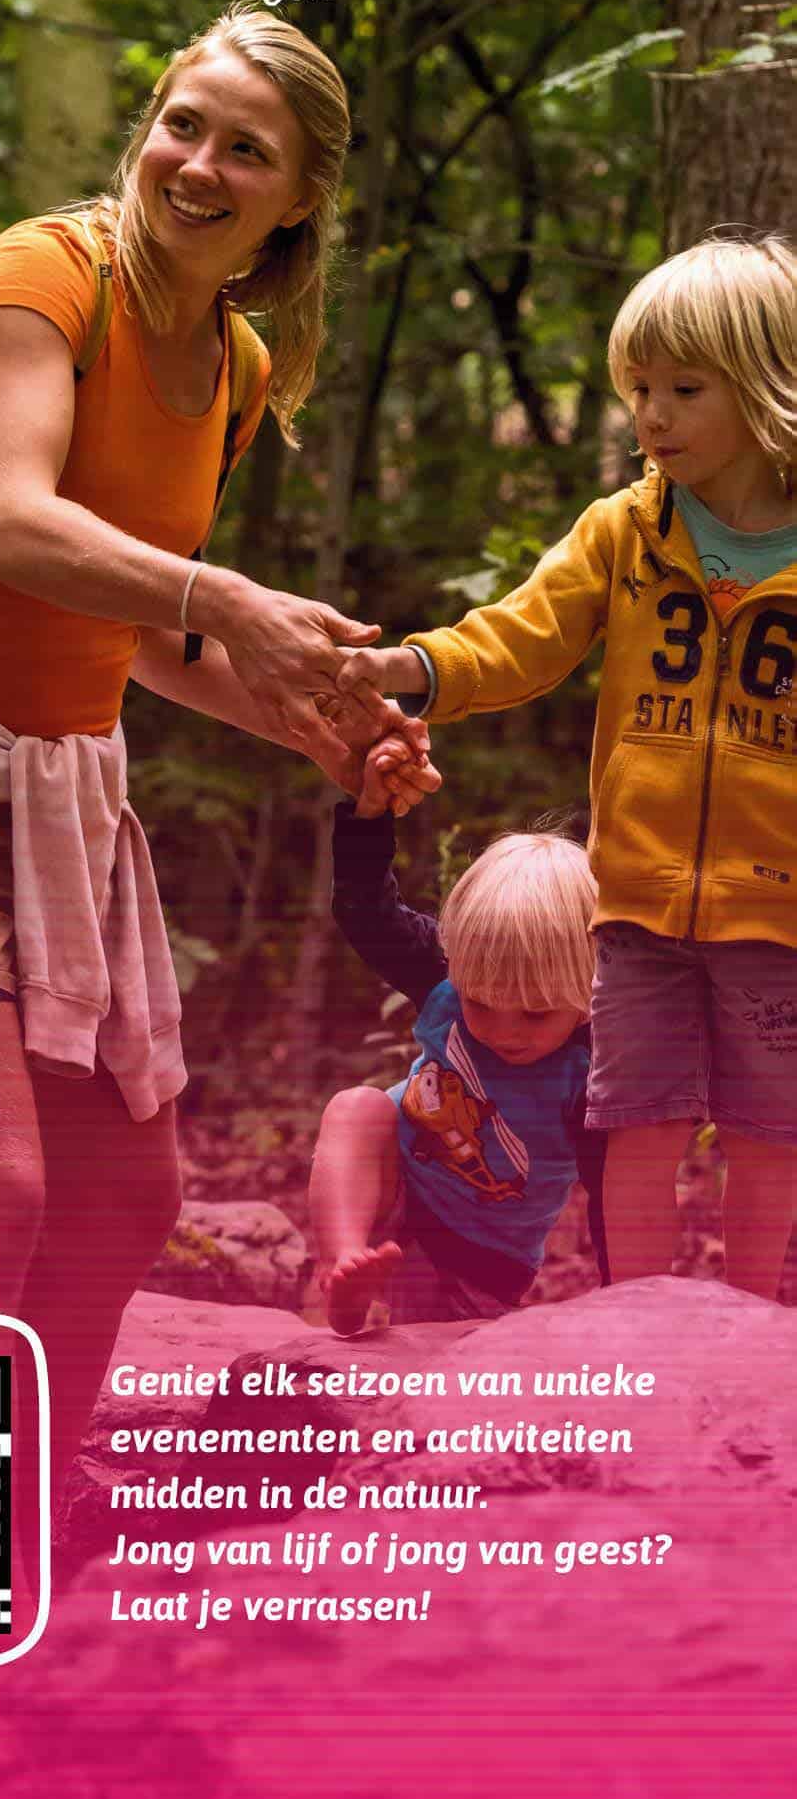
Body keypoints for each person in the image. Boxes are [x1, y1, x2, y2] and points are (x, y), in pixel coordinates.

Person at [0, 5, 439, 1609]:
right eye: (183, 121)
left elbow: (148, 630)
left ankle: (23, 1521)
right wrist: (228, 594)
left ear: (298, 199)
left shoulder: (233, 364)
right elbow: (14, 518)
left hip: (60, 790)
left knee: (125, 1195)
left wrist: (321, 725)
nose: (198, 162)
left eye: (245, 148)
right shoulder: (37, 280)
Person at [331, 233, 797, 1301]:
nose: (652, 416)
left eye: (685, 389)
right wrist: (412, 668)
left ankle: (753, 1324)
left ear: (769, 386)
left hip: (781, 910)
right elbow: (521, 636)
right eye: (638, 389)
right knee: (638, 1121)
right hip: (633, 903)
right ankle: (636, 1317)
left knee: (770, 1132)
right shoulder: (625, 532)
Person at [311, 742, 606, 1332]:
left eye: (535, 1014)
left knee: (427, 1351)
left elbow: (611, 1192)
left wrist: (625, 1301)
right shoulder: (443, 971)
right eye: (480, 1004)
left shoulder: (594, 1068)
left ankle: (364, 1299)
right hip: (393, 1194)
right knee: (356, 1107)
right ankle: (342, 1263)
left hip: (478, 1257)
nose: (503, 1030)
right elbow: (366, 911)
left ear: (587, 994)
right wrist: (370, 812)